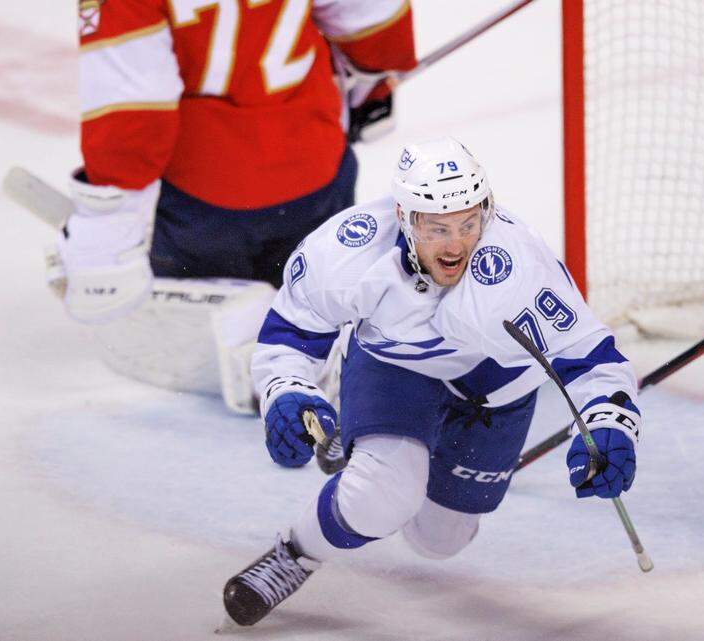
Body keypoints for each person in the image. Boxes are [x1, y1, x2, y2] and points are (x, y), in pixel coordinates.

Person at [219, 137, 643, 626]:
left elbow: (588, 358)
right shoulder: (347, 252)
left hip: (497, 391)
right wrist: (288, 391)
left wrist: (609, 423)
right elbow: (292, 331)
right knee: (382, 498)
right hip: (398, 369)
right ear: (405, 217)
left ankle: (376, 455)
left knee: (440, 540)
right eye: (438, 228)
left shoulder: (520, 267)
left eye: (468, 223)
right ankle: (297, 551)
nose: (457, 244)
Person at [56, 0, 416, 411]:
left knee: (178, 263)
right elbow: (373, 20)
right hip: (316, 180)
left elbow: (131, 114)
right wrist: (374, 84)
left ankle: (247, 319)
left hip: (205, 204)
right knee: (314, 266)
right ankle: (317, 312)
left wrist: (107, 228)